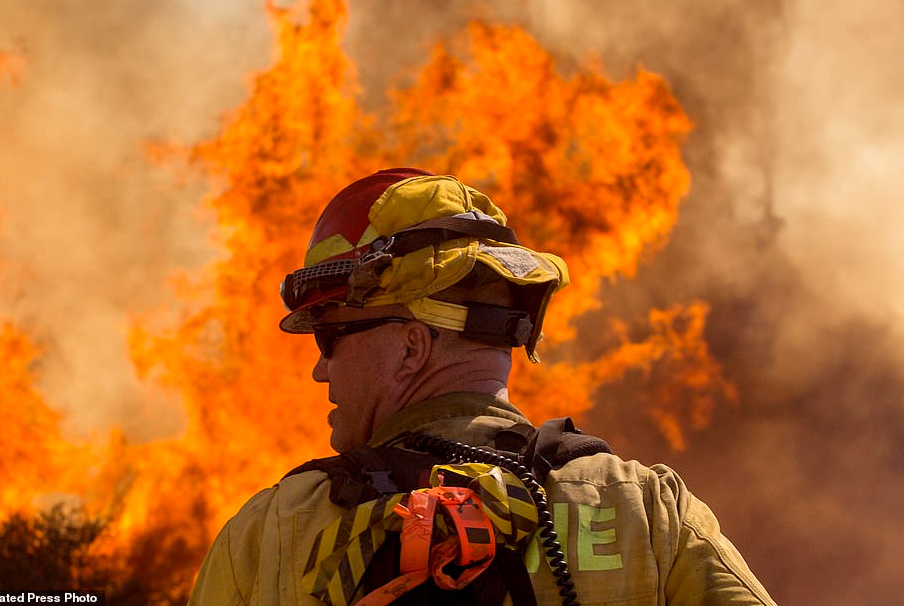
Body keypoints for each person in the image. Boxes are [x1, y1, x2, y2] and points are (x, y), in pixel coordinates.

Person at [188, 168, 777, 606]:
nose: (321, 369)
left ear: (412, 348)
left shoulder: (273, 532)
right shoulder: (645, 510)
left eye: (330, 338)